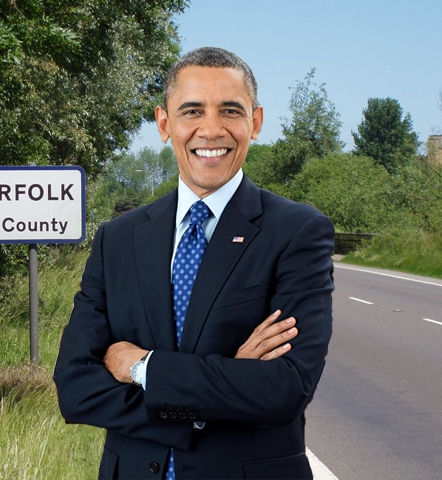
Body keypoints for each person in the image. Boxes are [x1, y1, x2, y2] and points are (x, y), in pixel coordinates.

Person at [53, 47, 334, 480]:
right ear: (164, 124)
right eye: (191, 111)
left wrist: (142, 368)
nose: (211, 129)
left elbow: (284, 388)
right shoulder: (119, 238)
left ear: (255, 123)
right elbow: (75, 390)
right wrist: (221, 388)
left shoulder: (298, 231)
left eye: (230, 111)